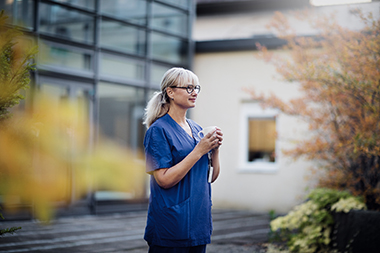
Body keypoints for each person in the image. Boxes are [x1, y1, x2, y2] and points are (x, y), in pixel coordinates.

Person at [142, 67, 223, 253]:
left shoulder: (197, 129)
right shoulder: (158, 131)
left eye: (196, 88)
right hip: (171, 225)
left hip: (198, 222)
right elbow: (163, 180)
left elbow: (211, 177)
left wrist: (215, 150)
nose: (194, 92)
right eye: (188, 88)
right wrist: (198, 150)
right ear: (170, 92)